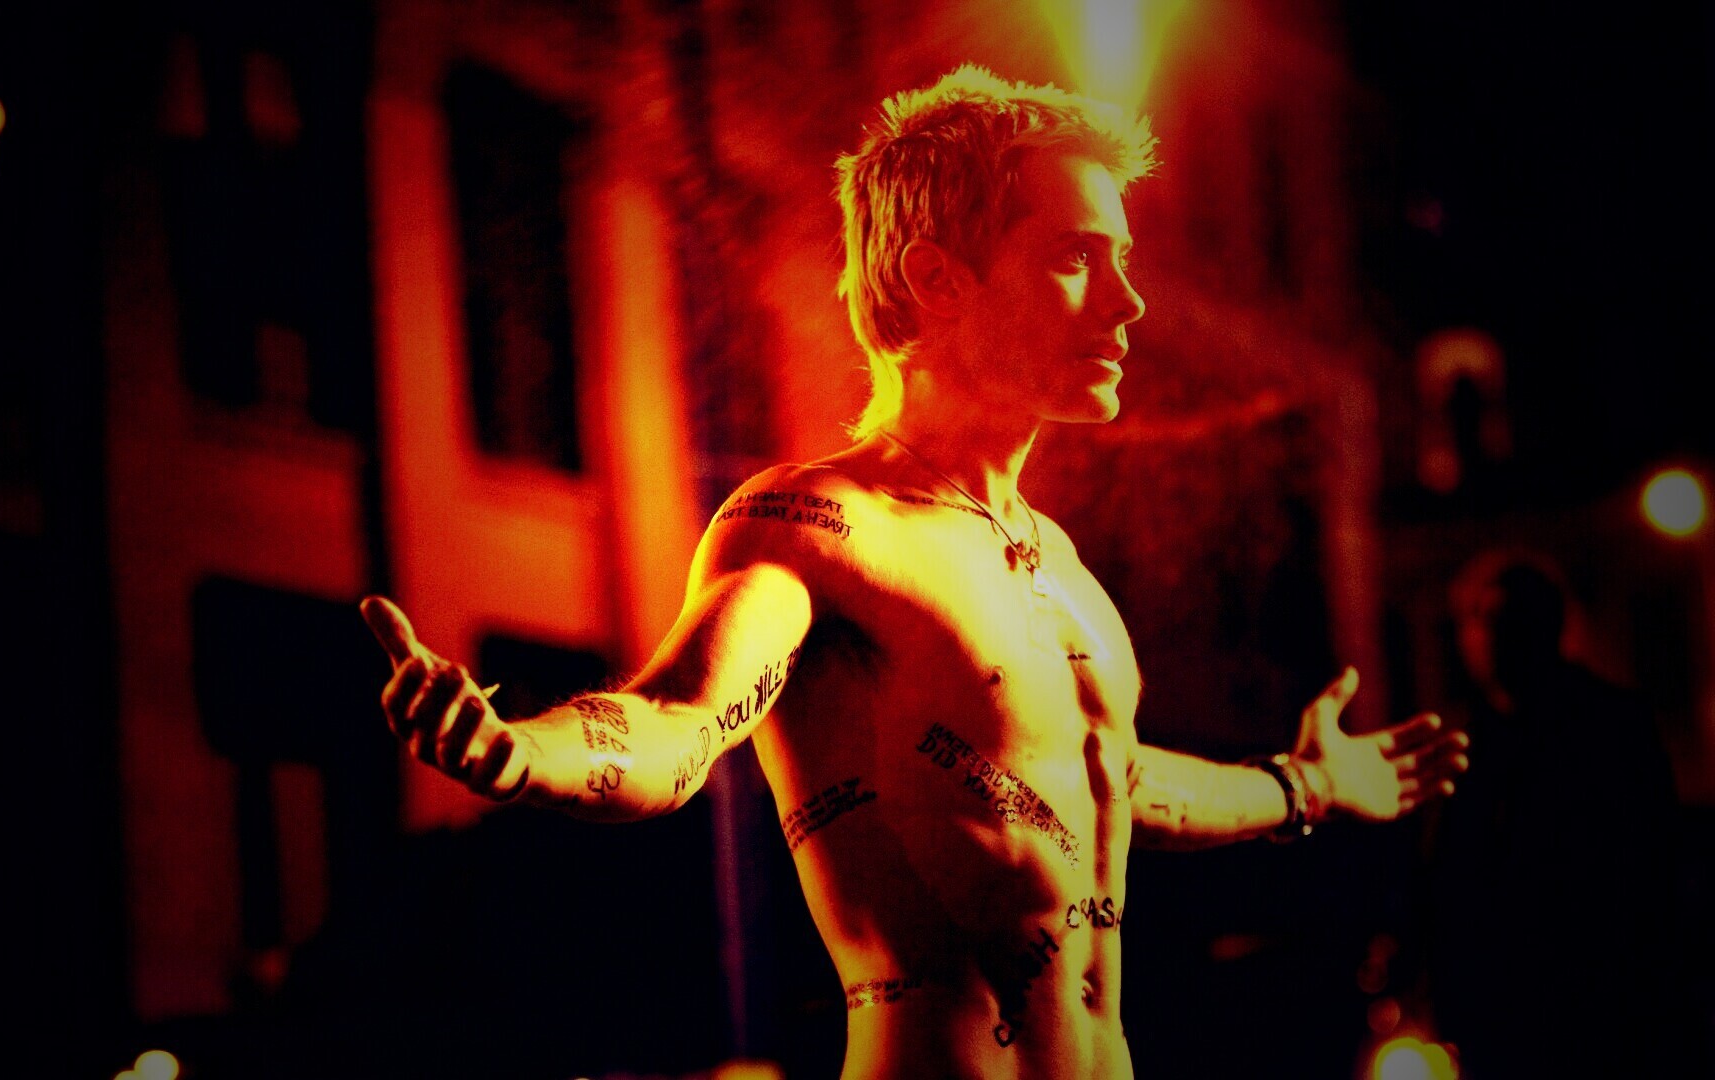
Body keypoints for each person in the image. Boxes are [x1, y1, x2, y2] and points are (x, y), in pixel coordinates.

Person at [360, 64, 1468, 1079]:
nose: (1126, 303)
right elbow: (677, 721)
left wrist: (1306, 786)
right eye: (1077, 258)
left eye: (1122, 262)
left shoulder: (1060, 567)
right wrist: (523, 753)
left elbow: (1118, 783)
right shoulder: (823, 525)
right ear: (938, 278)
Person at [1421, 548, 1683, 1078]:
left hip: (1602, 1012)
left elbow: (1654, 870)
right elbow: (1446, 884)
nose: (1490, 638)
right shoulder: (1464, 744)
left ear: (1548, 628)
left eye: (1507, 621)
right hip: (1501, 1021)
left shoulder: (1613, 729)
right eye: (1483, 621)